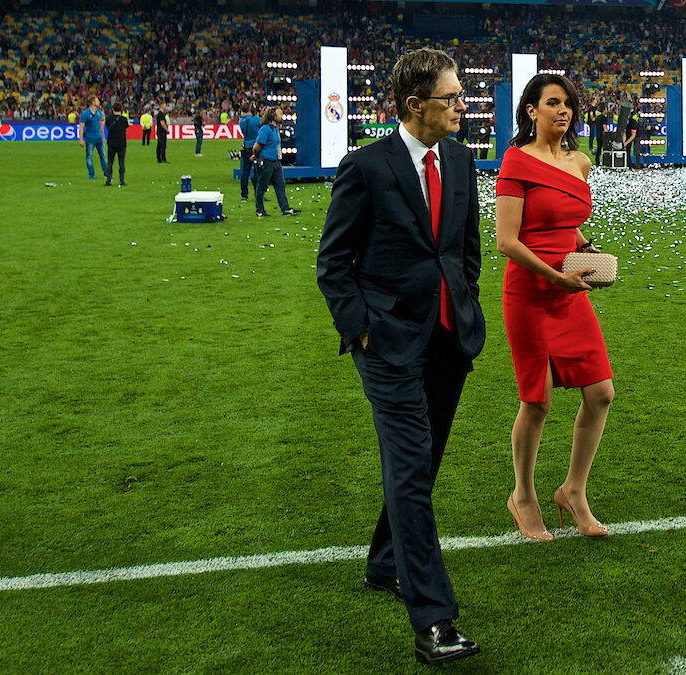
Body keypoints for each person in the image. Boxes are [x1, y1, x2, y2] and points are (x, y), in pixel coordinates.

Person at [317, 47, 485, 665]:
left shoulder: (463, 161)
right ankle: (434, 619)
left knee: (423, 463)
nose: (463, 105)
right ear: (415, 106)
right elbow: (333, 264)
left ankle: (386, 562)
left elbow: (464, 251)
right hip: (386, 344)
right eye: (452, 97)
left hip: (448, 338)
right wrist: (362, 329)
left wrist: (464, 304)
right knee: (411, 470)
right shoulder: (365, 167)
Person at [494, 73, 614, 546]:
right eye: (552, 103)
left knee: (601, 392)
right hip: (529, 291)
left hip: (569, 286)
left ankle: (573, 491)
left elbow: (567, 222)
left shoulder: (581, 162)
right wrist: (555, 276)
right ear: (531, 111)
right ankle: (523, 495)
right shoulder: (515, 161)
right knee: (537, 401)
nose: (563, 111)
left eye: (568, 104)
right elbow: (507, 240)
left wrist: (586, 251)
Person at [251, 107, 300, 217]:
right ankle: (259, 209)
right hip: (267, 161)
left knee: (280, 186)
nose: (282, 116)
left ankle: (285, 208)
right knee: (262, 187)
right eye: (280, 113)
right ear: (273, 116)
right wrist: (256, 155)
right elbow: (256, 146)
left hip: (275, 161)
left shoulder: (275, 129)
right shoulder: (266, 129)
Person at [77, 96, 108, 180]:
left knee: (103, 155)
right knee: (89, 156)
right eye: (97, 100)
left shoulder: (99, 113)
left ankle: (107, 173)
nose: (99, 102)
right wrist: (81, 139)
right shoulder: (85, 114)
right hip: (90, 138)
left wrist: (103, 137)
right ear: (92, 102)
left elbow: (101, 125)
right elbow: (81, 127)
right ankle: (91, 174)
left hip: (99, 138)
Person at [238, 102, 260, 201]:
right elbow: (264, 122)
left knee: (245, 172)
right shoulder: (255, 120)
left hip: (246, 147)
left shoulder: (241, 120)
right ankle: (258, 193)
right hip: (254, 148)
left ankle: (244, 195)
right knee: (257, 172)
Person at [104, 102, 128, 187]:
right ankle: (122, 180)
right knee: (121, 162)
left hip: (111, 143)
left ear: (112, 109)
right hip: (121, 143)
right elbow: (126, 129)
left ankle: (109, 180)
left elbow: (107, 128)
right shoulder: (124, 119)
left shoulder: (109, 119)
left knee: (110, 162)